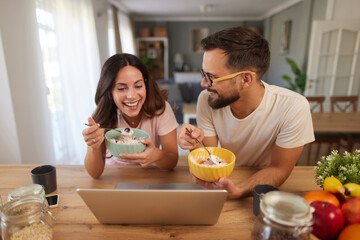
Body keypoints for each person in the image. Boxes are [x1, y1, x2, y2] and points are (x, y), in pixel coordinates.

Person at [178, 26, 315, 199]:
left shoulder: (293, 106)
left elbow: (279, 168)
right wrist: (193, 143)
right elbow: (209, 156)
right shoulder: (207, 99)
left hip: (264, 188)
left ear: (246, 79)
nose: (203, 84)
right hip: (226, 177)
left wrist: (239, 190)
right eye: (203, 74)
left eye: (211, 77)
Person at [83, 53, 178, 178]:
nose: (132, 96)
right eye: (121, 88)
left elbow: (172, 161)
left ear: (145, 84)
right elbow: (94, 173)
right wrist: (92, 146)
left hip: (149, 177)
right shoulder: (103, 114)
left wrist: (157, 156)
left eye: (138, 86)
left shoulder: (161, 110)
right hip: (115, 178)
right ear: (109, 91)